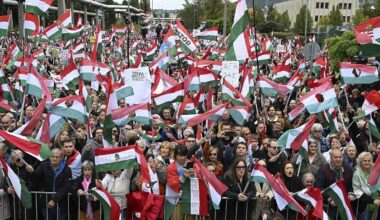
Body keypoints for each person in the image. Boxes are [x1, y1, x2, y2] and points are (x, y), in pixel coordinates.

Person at [30, 148, 72, 220]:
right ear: (49, 157)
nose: (55, 159)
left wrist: (54, 200)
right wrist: (31, 172)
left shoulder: (67, 169)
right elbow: (35, 179)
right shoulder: (43, 166)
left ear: (61, 158)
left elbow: (66, 187)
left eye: (57, 157)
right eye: (53, 156)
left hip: (60, 203)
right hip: (45, 202)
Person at [352, 152, 380, 220]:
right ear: (360, 162)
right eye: (365, 161)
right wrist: (372, 200)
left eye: (369, 161)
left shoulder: (375, 169)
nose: (367, 162)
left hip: (377, 203)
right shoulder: (356, 174)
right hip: (364, 206)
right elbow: (357, 192)